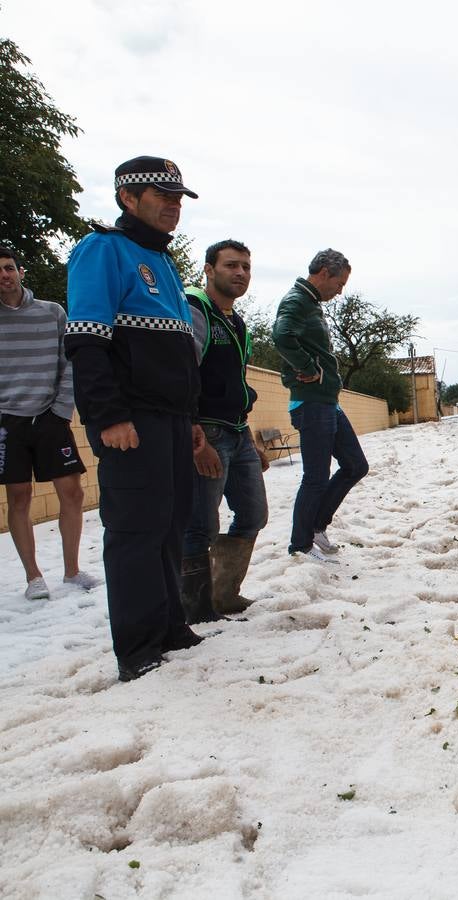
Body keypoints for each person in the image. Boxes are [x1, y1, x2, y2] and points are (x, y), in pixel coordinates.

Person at [65, 156, 205, 682]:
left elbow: (176, 354)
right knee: (134, 530)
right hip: (131, 421)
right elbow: (87, 344)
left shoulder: (164, 264)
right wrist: (108, 417)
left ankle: (170, 626)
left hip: (170, 420)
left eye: (178, 198)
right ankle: (137, 647)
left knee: (171, 524)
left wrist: (189, 417)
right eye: (161, 196)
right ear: (128, 198)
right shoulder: (102, 250)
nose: (173, 206)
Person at [0, 245, 99, 600]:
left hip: (50, 417)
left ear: (21, 271)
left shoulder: (52, 312)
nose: (4, 275)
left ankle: (72, 571)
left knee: (72, 493)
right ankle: (33, 578)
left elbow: (69, 360)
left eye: (9, 267)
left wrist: (61, 409)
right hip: (7, 423)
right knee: (19, 496)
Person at [181, 239, 269, 622]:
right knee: (200, 524)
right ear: (209, 269)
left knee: (253, 514)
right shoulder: (195, 308)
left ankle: (223, 594)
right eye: (232, 265)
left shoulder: (236, 322)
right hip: (207, 433)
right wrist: (194, 435)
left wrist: (249, 439)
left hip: (236, 431)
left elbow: (235, 383)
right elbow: (183, 376)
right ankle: (195, 609)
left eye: (246, 267)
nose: (240, 273)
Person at [272, 249, 368, 561]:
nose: (340, 291)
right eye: (339, 283)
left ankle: (316, 527)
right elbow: (282, 334)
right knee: (315, 476)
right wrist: (308, 368)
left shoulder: (311, 303)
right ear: (324, 272)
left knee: (355, 465)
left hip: (327, 401)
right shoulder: (297, 299)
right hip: (311, 402)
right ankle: (300, 545)